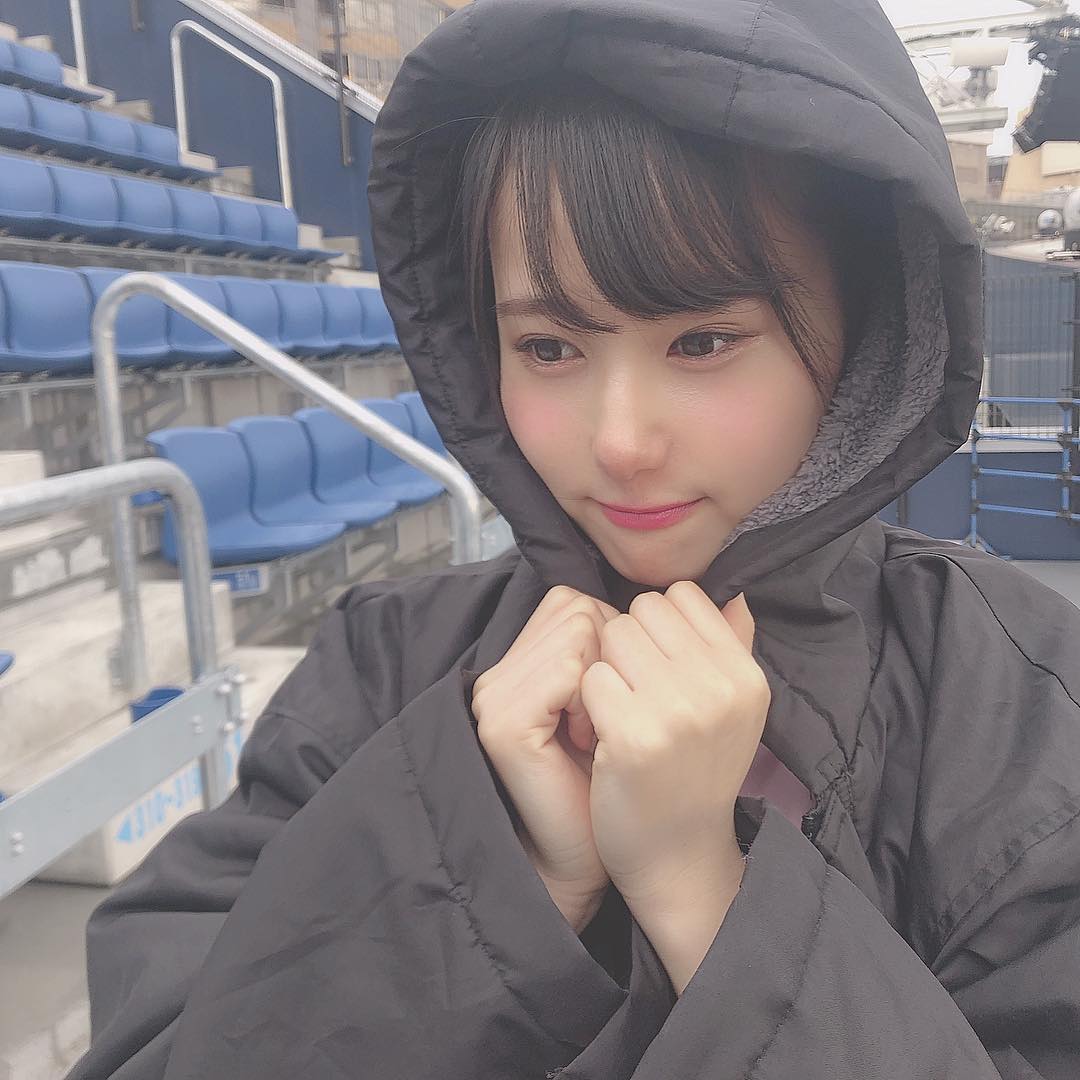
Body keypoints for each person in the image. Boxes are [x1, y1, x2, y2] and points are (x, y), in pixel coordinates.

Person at [69, 1, 1080, 1078]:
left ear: (866, 337)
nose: (620, 442)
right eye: (548, 348)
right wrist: (506, 880)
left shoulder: (1022, 709)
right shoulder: (377, 668)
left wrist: (703, 889)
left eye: (703, 340)